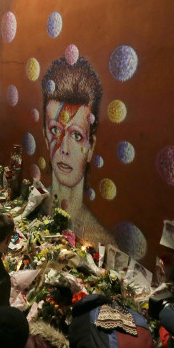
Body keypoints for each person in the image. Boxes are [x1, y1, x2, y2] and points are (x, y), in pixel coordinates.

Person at [40, 56, 115, 246]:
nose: (64, 149)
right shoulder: (40, 204)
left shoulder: (101, 241)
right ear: (44, 136)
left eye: (77, 136)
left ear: (91, 147)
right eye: (55, 130)